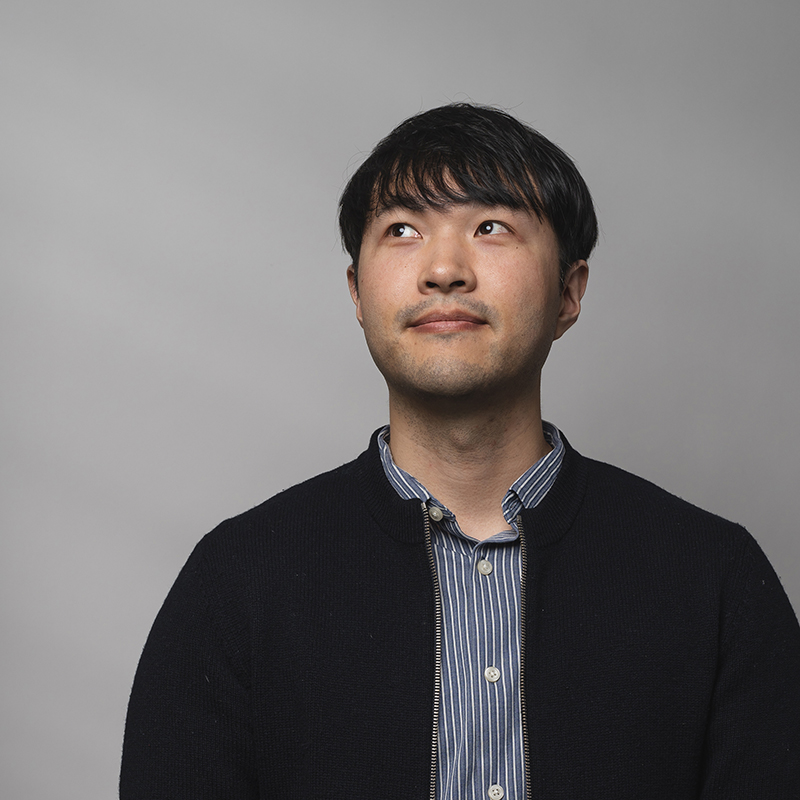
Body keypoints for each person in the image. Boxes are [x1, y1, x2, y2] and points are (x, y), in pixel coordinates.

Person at [120, 104, 800, 799]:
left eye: (491, 227)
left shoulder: (716, 581)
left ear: (569, 291)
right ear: (357, 292)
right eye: (403, 230)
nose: (444, 269)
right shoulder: (237, 584)